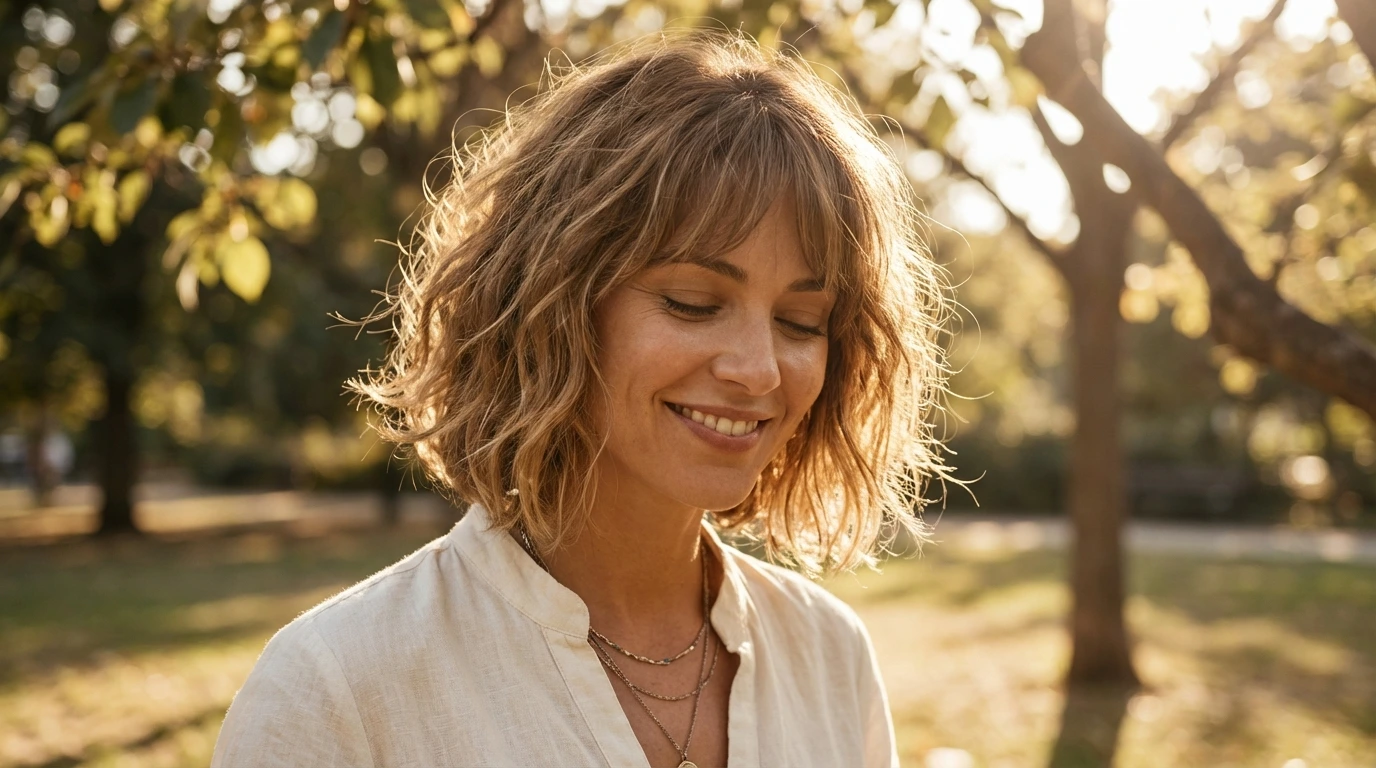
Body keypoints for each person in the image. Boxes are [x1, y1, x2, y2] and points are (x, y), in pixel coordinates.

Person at [211, 30, 956, 768]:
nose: (759, 370)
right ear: (553, 304)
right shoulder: (337, 690)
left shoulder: (831, 656)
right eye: (694, 302)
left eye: (801, 322)